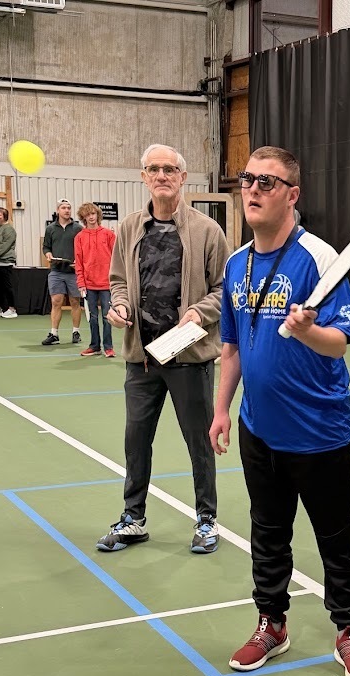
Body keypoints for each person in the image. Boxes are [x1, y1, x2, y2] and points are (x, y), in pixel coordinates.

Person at [209, 146, 350, 676]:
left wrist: (308, 330)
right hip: (259, 428)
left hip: (319, 431)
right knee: (268, 531)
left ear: (292, 195)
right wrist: (221, 410)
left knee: (336, 536)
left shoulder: (320, 258)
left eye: (268, 182)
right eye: (248, 180)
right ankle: (271, 623)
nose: (253, 189)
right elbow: (232, 349)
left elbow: (340, 345)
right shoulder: (237, 265)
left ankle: (349, 628)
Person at [97, 144, 229, 555]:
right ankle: (133, 519)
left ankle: (207, 520)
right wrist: (119, 305)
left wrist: (199, 312)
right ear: (143, 176)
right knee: (136, 440)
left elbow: (226, 290)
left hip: (188, 357)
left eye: (169, 169)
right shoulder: (130, 228)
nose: (161, 175)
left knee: (198, 442)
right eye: (153, 169)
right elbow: (118, 279)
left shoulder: (208, 230)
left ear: (182, 177)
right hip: (142, 358)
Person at [74, 202, 116, 357]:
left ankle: (108, 347)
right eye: (87, 215)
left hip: (107, 284)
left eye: (93, 214)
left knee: (107, 317)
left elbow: (117, 259)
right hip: (88, 284)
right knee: (92, 318)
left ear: (98, 215)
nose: (91, 217)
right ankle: (94, 346)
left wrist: (116, 280)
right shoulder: (79, 237)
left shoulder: (109, 235)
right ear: (83, 218)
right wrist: (81, 282)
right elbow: (78, 261)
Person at [41, 198, 83, 345]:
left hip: (73, 272)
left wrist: (80, 261)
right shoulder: (50, 229)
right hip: (56, 271)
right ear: (58, 210)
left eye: (69, 208)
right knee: (56, 302)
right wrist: (48, 254)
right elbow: (46, 247)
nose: (67, 210)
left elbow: (84, 248)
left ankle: (76, 332)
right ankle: (54, 334)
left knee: (75, 302)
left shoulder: (78, 228)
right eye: (64, 208)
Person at [0, 207, 17, 318]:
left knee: (7, 287)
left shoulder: (9, 229)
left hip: (5, 262)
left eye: (0, 214)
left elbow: (5, 246)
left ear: (5, 216)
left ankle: (12, 309)